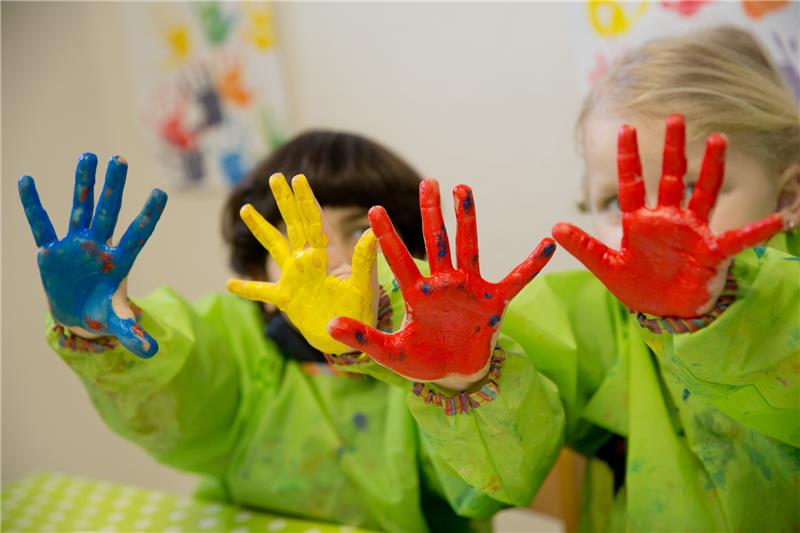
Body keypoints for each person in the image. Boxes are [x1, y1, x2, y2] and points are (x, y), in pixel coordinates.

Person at [18, 131, 561, 532]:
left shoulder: (434, 358)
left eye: (365, 235)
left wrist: (460, 381)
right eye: (307, 241)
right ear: (258, 269)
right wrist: (98, 335)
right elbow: (173, 400)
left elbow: (494, 482)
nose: (342, 261)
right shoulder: (235, 338)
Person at [497, 26, 798, 532]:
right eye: (619, 201)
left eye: (689, 189)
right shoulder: (597, 314)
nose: (653, 227)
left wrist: (719, 314)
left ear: (788, 197)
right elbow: (513, 408)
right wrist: (459, 368)